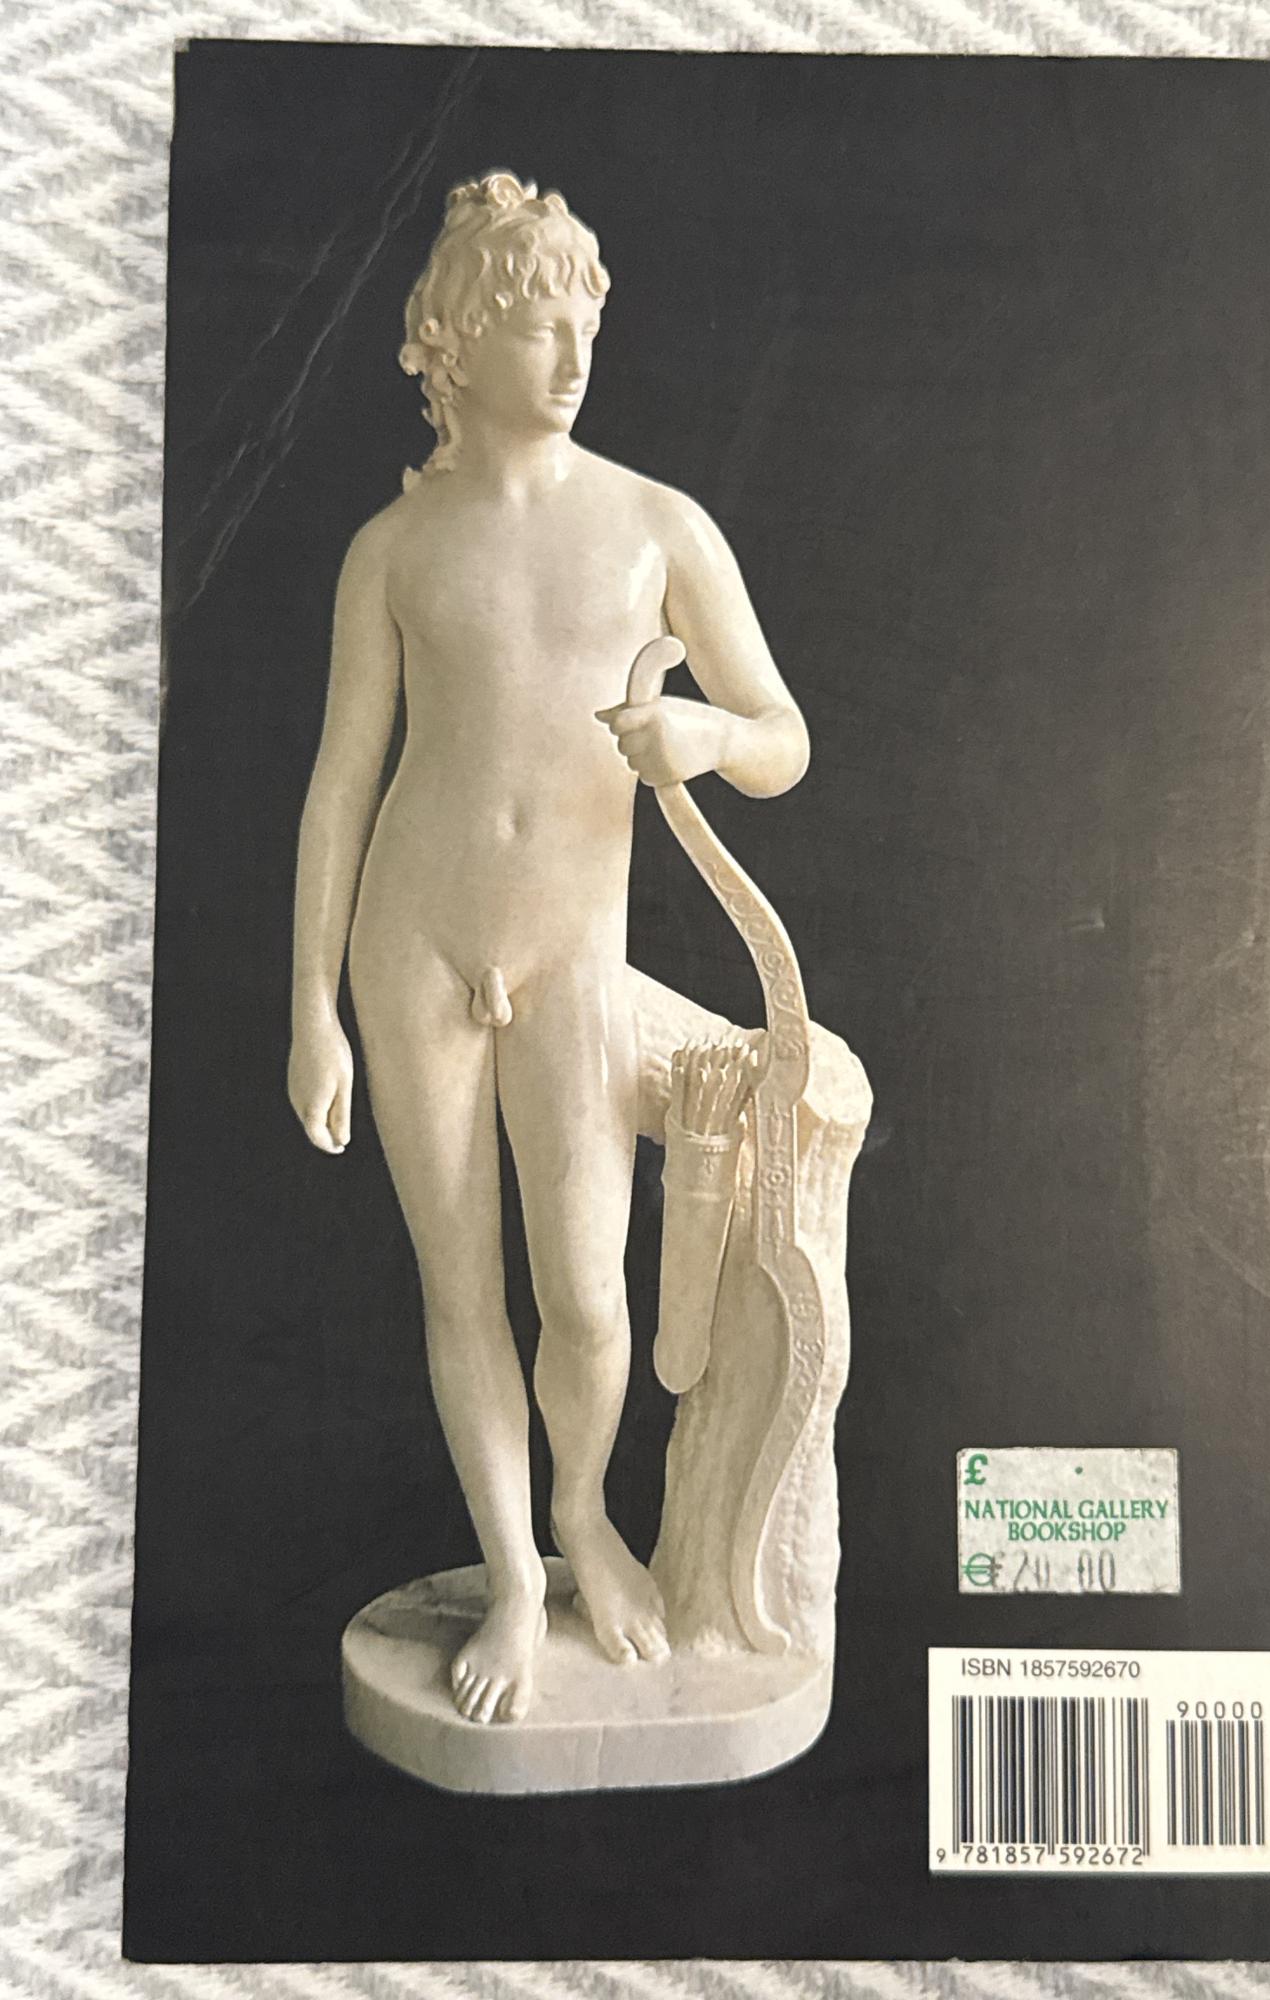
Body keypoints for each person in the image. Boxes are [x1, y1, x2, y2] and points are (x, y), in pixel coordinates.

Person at [287, 172, 809, 1726]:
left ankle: (585, 1511)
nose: (573, 353)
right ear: (455, 338)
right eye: (535, 324)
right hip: (412, 946)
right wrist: (311, 1006)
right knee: (462, 1287)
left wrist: (708, 734)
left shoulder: (655, 526)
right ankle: (519, 1578)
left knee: (585, 1297)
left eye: (585, 320)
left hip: (573, 950)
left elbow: (784, 737)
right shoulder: (393, 548)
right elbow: (341, 781)